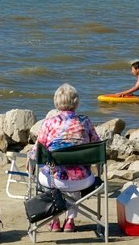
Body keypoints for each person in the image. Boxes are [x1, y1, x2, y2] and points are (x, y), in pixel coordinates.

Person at [31, 83, 100, 232]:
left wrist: (29, 158)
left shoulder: (49, 123)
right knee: (74, 174)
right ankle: (70, 221)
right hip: (83, 181)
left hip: (54, 179)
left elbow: (37, 151)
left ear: (56, 102)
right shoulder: (85, 122)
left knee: (48, 174)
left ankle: (54, 220)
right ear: (76, 102)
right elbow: (97, 146)